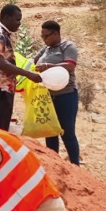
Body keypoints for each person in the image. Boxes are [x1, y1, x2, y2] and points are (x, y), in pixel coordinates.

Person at [0, 4, 42, 133]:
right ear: (7, 18)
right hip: (0, 88)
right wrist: (27, 74)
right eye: (17, 19)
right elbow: (0, 62)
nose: (19, 24)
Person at [31, 20, 81, 165]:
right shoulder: (46, 49)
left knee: (67, 132)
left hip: (66, 95)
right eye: (42, 37)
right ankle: (55, 164)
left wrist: (49, 66)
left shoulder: (67, 46)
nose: (44, 40)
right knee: (50, 132)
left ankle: (75, 165)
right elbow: (33, 62)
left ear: (56, 34)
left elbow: (70, 65)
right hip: (48, 96)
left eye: (46, 36)